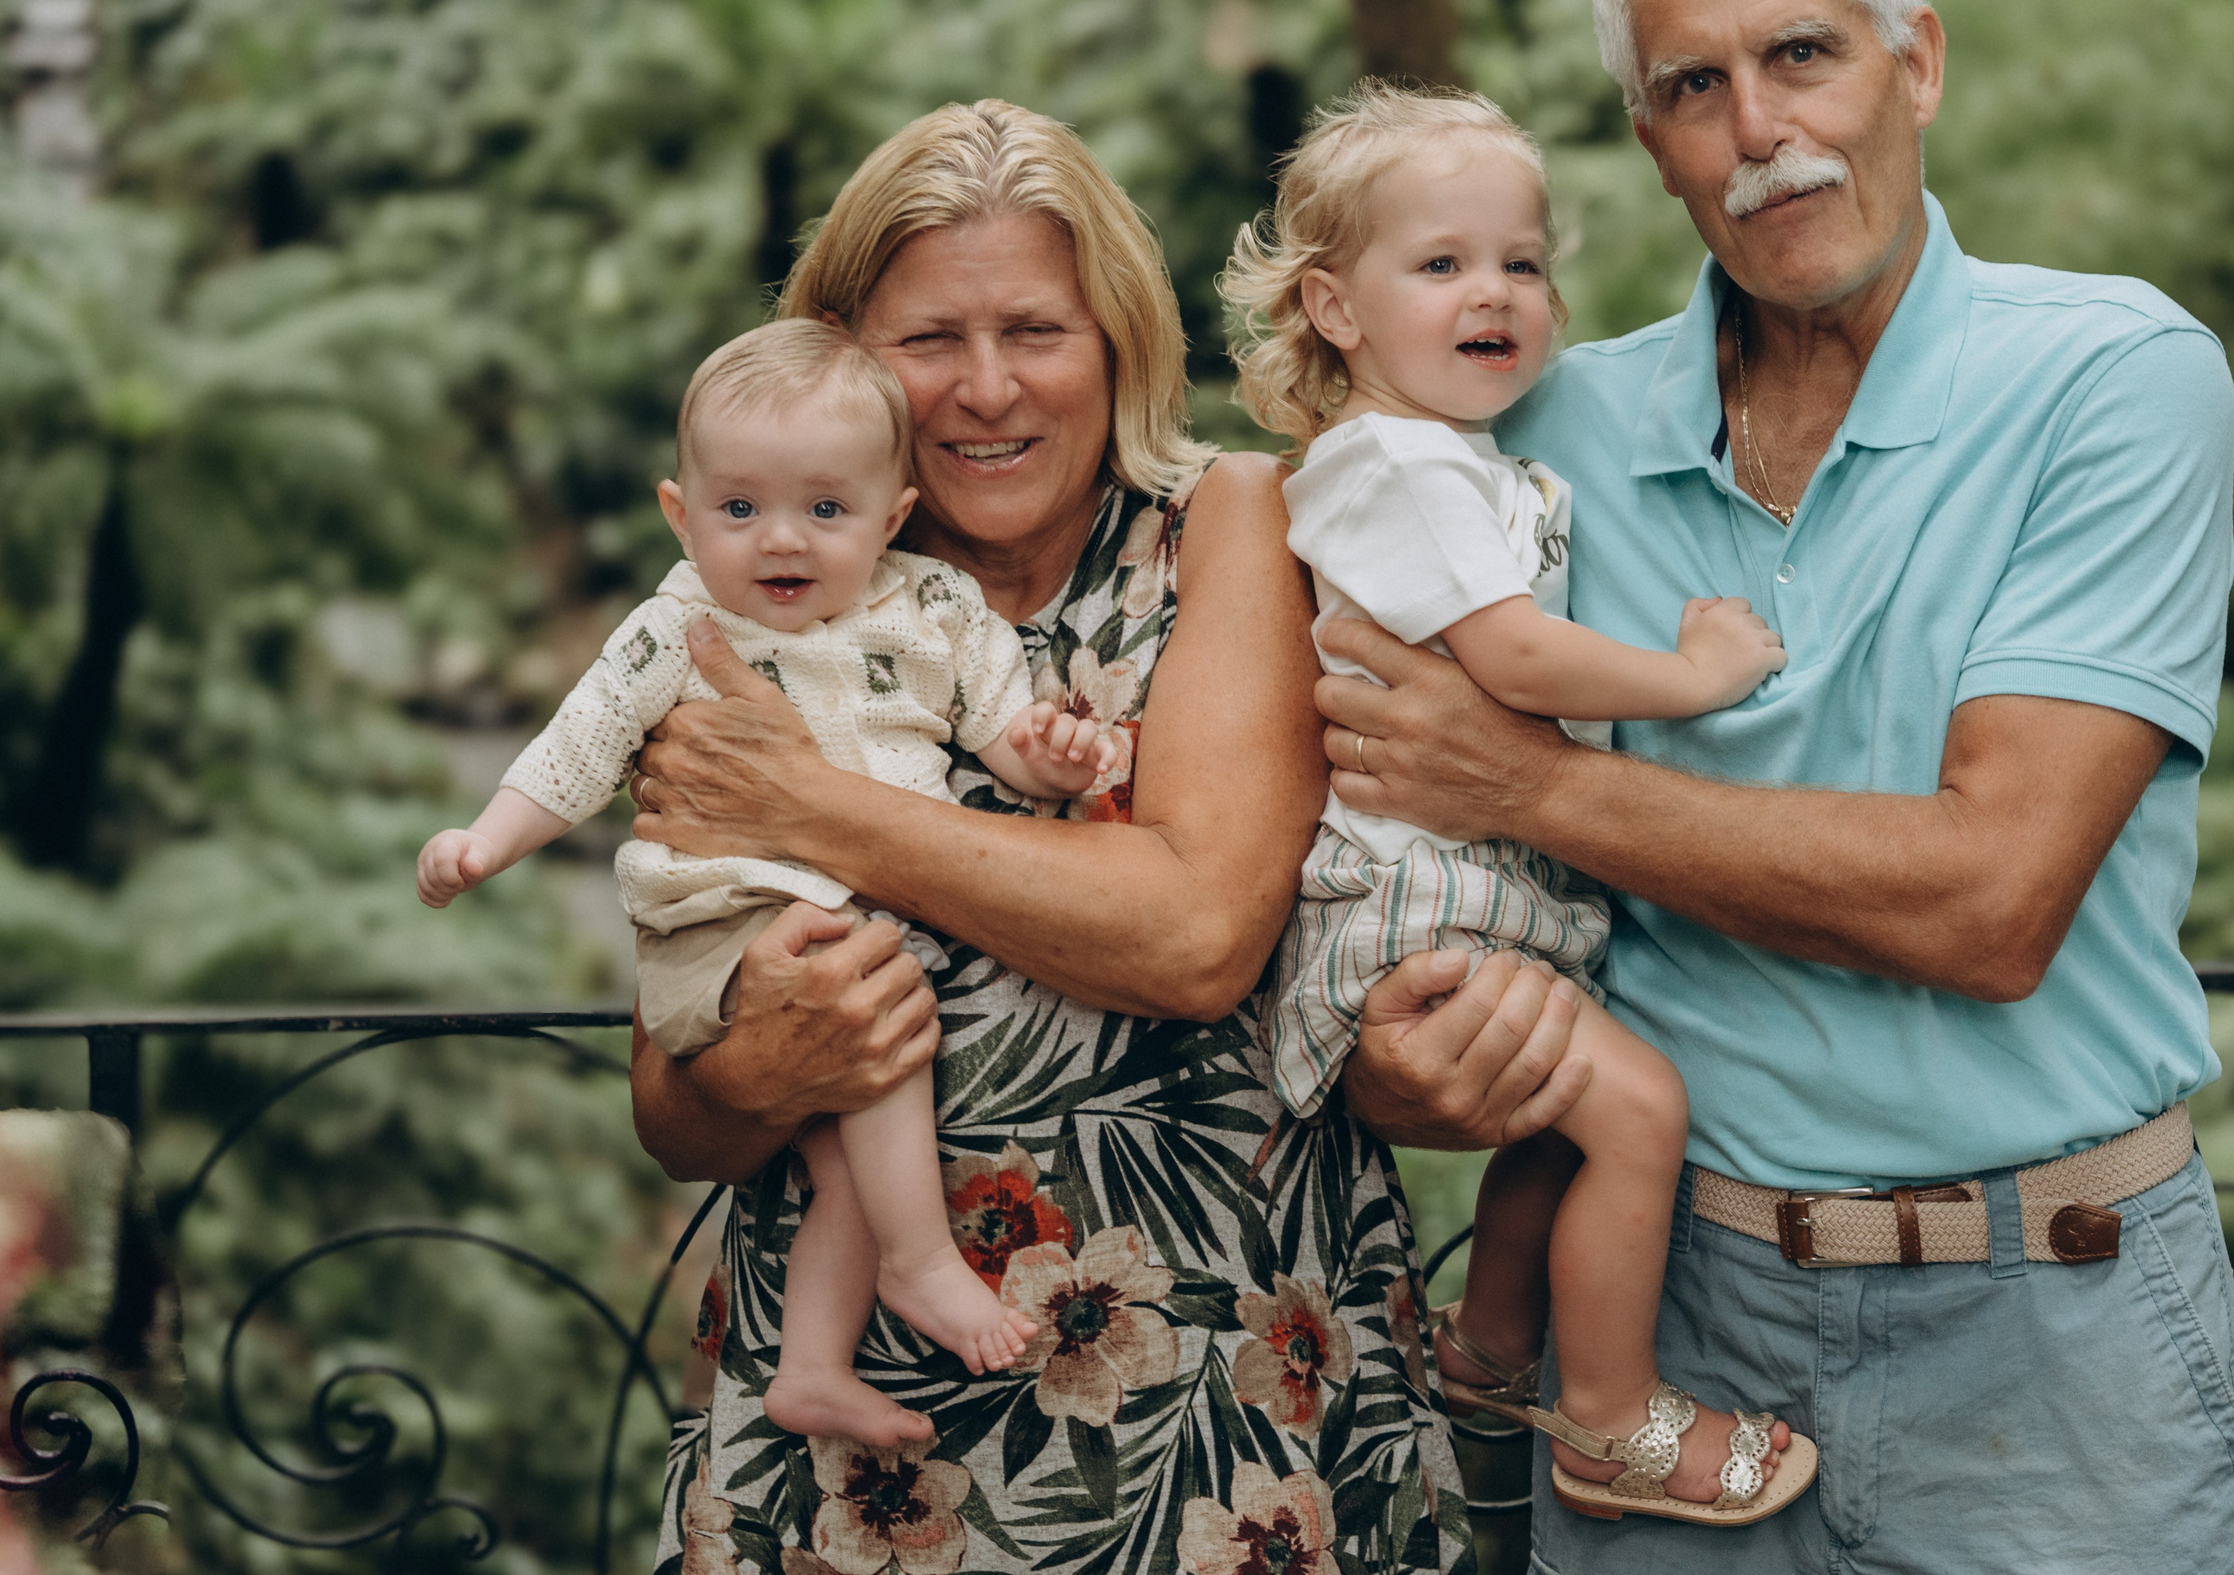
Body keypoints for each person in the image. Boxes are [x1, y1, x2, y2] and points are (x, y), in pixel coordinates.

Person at [1315, 0, 2234, 1571]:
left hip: (2058, 1327)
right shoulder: (1536, 432)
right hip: (1666, 1337)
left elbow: (1990, 902)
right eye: (1692, 85)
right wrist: (1404, 1047)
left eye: (1804, 52)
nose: (1762, 127)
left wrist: (1527, 780)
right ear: (1651, 139)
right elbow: (1377, 780)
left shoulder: (2115, 374)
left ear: (1920, 64)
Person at [627, 100, 1473, 1575]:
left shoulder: (1225, 521)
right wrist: (770, 1058)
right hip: (853, 1406)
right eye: (928, 339)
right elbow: (671, 1102)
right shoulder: (767, 574)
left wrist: (813, 806)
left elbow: (1198, 930)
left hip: (1213, 1380)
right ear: (845, 358)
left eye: (1037, 330)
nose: (985, 388)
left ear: (1119, 342)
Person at [1223, 79, 1806, 1527]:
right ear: (1335, 308)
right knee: (1641, 1105)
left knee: (1564, 1119)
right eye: (1441, 265)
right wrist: (1695, 672)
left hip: (1481, 882)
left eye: (1522, 262)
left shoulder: (1451, 455)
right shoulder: (1402, 463)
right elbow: (1513, 651)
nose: (1495, 292)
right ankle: (1608, 1417)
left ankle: (1490, 1347)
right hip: (1424, 895)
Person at [420, 319, 1130, 1444]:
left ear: (892, 515)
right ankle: (920, 1261)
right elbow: (581, 746)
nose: (780, 542)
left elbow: (1000, 732)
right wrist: (484, 843)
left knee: (849, 1152)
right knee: (876, 1035)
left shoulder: (933, 610)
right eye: (739, 510)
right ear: (680, 513)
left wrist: (1055, 756)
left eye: (826, 511)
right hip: (731, 921)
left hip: (843, 916)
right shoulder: (675, 629)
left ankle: (810, 1366)